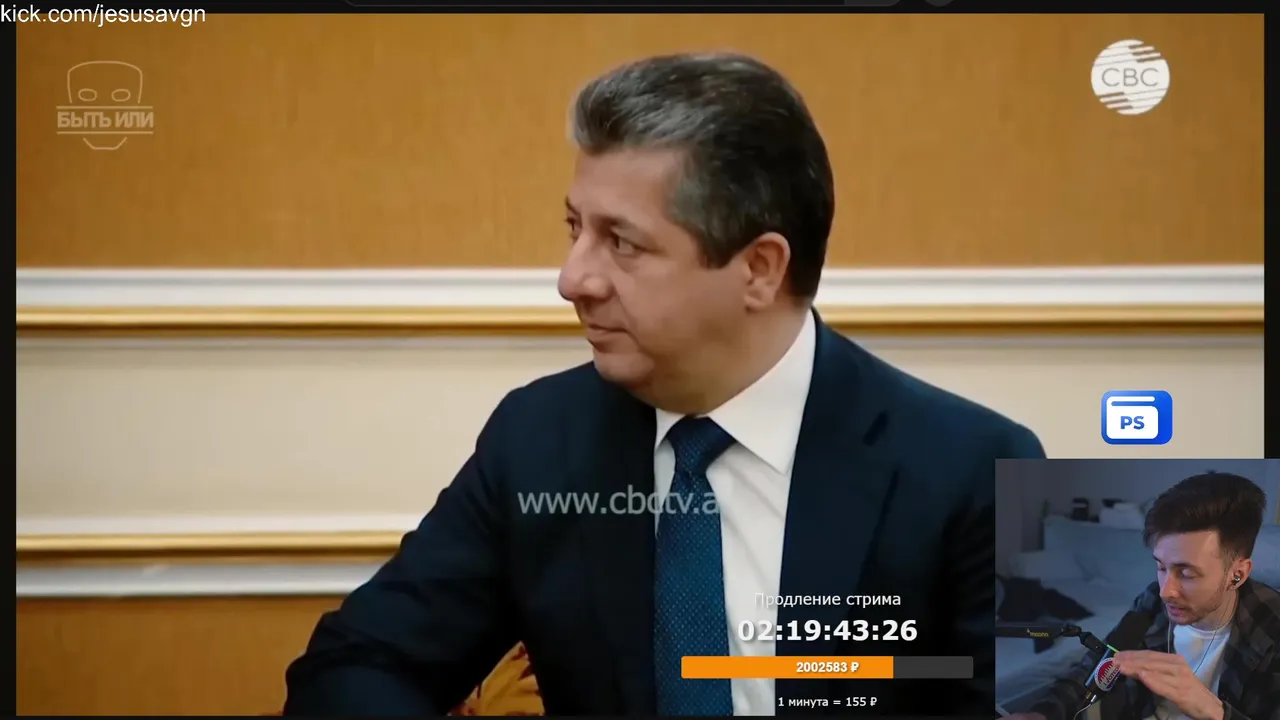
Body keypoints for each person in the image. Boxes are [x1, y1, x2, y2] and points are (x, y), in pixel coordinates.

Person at [283, 51, 1046, 716]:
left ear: (759, 269)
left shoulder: (987, 468)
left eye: (622, 242)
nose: (572, 279)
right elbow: (356, 665)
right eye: (575, 228)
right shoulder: (538, 438)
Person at [1008, 472, 1280, 720]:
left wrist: (1214, 711)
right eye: (1161, 567)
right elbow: (1098, 665)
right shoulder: (1152, 600)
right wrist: (1041, 714)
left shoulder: (1272, 629)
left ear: (1237, 574)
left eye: (1186, 573)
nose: (1166, 591)